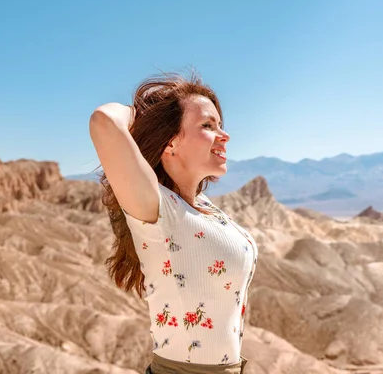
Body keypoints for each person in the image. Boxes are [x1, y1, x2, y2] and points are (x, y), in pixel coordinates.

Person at [89, 72, 258, 374]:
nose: (224, 135)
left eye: (220, 125)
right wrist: (143, 114)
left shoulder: (203, 208)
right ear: (170, 143)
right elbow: (104, 121)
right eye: (207, 125)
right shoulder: (158, 208)